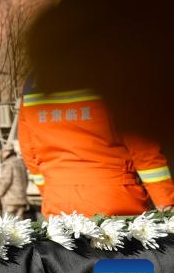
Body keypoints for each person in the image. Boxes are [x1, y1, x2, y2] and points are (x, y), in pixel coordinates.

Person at [18, 84, 174, 217]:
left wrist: (52, 192)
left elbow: (29, 152)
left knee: (67, 252)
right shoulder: (110, 71)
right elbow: (143, 148)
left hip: (58, 203)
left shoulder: (33, 82)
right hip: (116, 202)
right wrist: (166, 202)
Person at [0, 144, 31, 218]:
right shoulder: (21, 162)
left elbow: (6, 182)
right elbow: (26, 179)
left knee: (8, 223)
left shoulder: (8, 163)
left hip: (10, 199)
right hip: (21, 198)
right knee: (20, 224)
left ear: (6, 152)